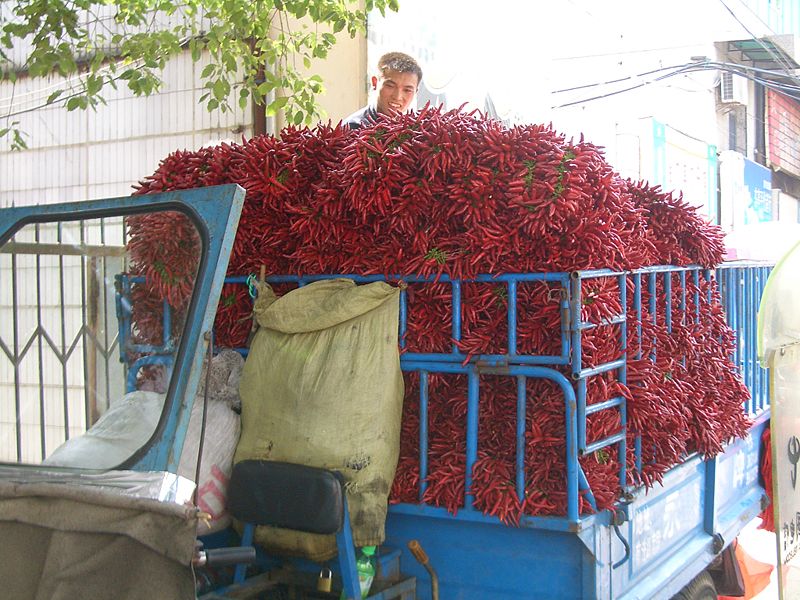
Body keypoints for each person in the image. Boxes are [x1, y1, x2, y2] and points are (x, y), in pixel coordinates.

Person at [343, 51, 423, 129]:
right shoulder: (353, 128)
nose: (397, 96)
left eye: (407, 90)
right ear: (375, 83)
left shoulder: (416, 130)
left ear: (415, 92)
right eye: (390, 86)